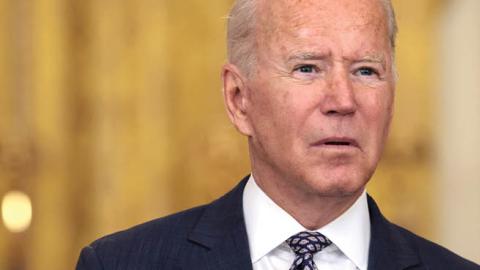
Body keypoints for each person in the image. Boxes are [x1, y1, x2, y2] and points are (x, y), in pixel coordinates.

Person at [76, 0, 480, 269]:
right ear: (239, 99)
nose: (343, 100)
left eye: (366, 71)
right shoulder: (122, 263)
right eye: (307, 68)